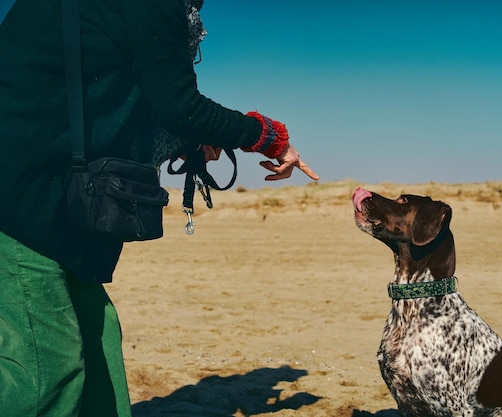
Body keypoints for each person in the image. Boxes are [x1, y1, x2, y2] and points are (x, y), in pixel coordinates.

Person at [0, 0, 319, 416]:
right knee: (47, 370)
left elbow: (105, 94)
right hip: (24, 204)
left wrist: (189, 138)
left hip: (62, 205)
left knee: (100, 350)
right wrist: (269, 136)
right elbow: (180, 106)